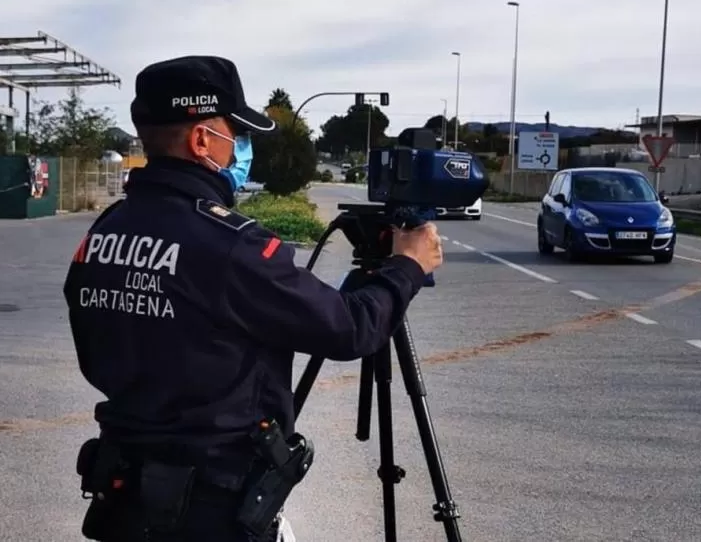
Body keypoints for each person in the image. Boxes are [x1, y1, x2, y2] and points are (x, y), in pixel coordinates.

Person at [63, 55, 443, 542]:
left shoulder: (106, 229)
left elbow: (97, 344)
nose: (242, 149)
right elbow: (351, 329)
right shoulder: (229, 243)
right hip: (211, 502)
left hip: (126, 493)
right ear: (202, 140)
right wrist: (408, 265)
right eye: (236, 134)